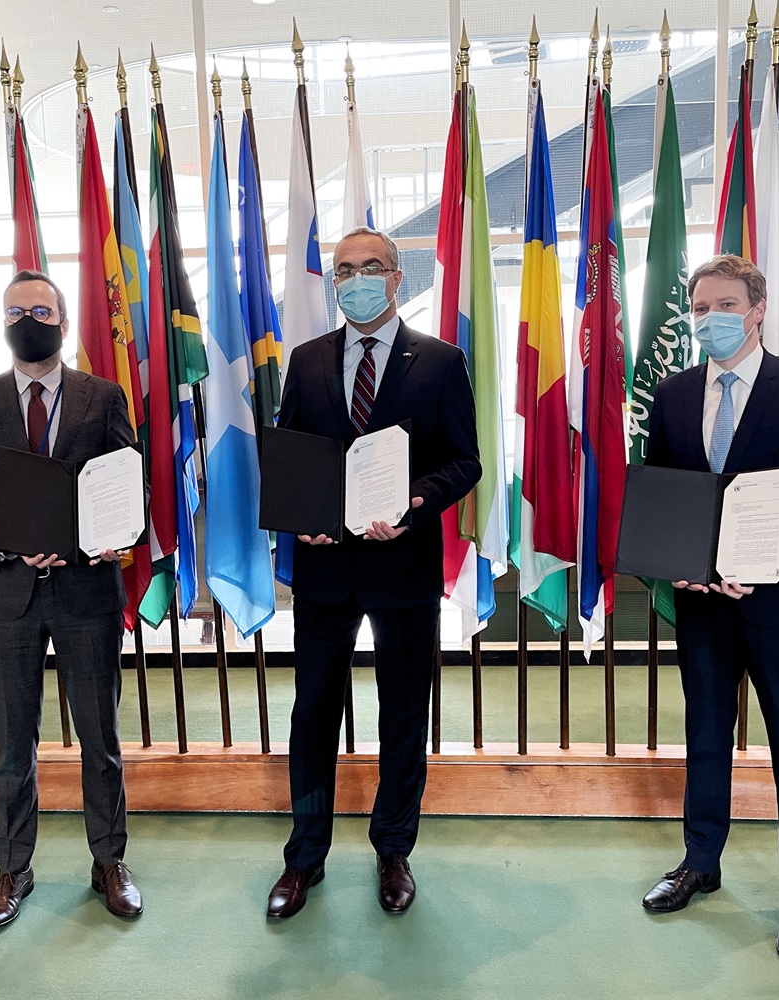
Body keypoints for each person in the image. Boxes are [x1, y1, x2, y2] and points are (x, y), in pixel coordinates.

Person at [641, 254, 779, 958]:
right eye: (700, 308)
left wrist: (772, 558)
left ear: (758, 309)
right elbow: (668, 495)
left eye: (726, 305)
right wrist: (686, 566)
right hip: (704, 604)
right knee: (705, 733)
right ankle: (700, 863)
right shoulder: (673, 395)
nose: (711, 319)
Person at [265, 227, 481, 919]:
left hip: (403, 563)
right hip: (325, 565)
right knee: (312, 715)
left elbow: (463, 460)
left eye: (370, 268)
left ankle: (394, 851)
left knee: (401, 713)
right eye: (344, 269)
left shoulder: (442, 361)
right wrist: (300, 514)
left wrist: (416, 503)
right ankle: (304, 859)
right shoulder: (305, 360)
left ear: (396, 277)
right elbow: (293, 454)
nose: (355, 279)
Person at [0, 270, 143, 929]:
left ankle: (109, 862)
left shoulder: (102, 395)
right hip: (8, 594)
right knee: (13, 747)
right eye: (15, 310)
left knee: (100, 736)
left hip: (87, 589)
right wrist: (12, 540)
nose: (28, 318)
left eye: (41, 309)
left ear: (62, 320)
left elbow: (125, 483)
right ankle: (13, 871)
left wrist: (103, 539)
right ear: (4, 324)